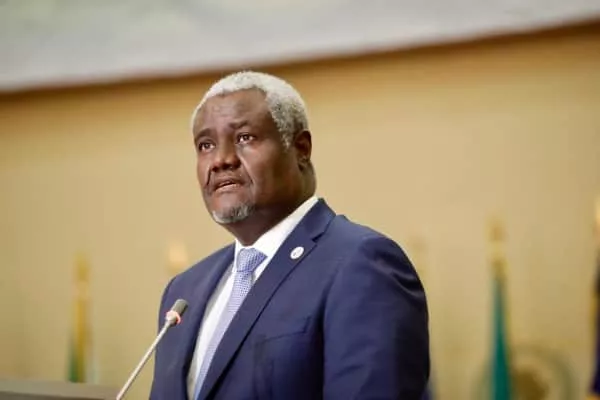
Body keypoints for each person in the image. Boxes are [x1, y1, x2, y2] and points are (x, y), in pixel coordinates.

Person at [150, 71, 430, 400]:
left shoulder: (360, 265)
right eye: (205, 145)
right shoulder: (184, 292)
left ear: (300, 149)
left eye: (244, 138)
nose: (221, 160)